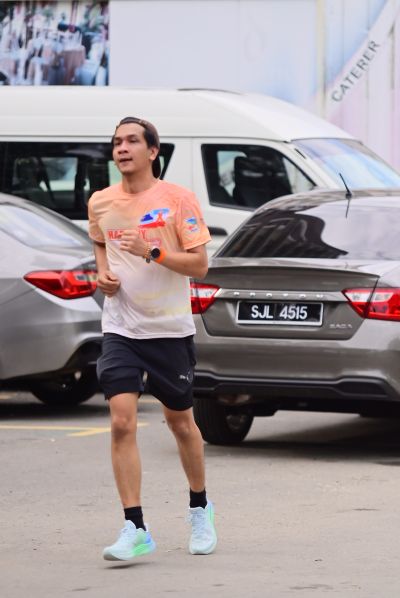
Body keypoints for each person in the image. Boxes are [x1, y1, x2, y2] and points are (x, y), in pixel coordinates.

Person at [88, 116, 217, 561]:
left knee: (181, 423)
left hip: (168, 330)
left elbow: (200, 265)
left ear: (153, 151)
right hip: (120, 327)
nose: (122, 148)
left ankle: (200, 507)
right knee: (121, 421)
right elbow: (100, 242)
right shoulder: (101, 201)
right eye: (116, 142)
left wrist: (153, 251)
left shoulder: (177, 199)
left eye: (131, 141)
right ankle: (135, 526)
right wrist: (102, 274)